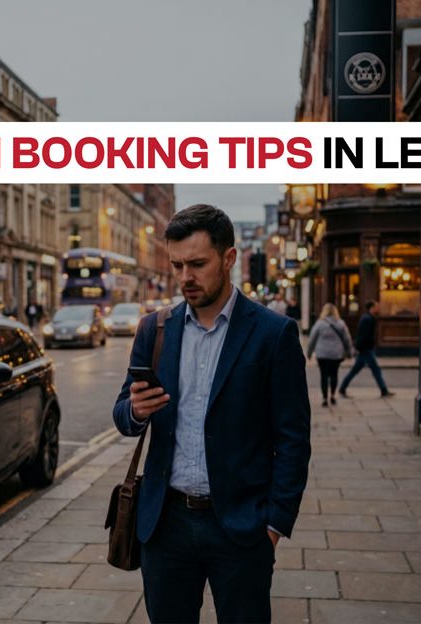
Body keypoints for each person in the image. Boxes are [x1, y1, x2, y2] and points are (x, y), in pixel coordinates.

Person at [112, 204, 311, 623]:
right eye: (178, 264)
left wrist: (274, 525)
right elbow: (122, 414)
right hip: (165, 526)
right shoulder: (155, 329)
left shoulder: (273, 334)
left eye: (198, 264)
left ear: (229, 258)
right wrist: (135, 410)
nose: (186, 277)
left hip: (240, 529)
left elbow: (293, 439)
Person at [339, 300, 394, 398]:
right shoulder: (367, 319)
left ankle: (342, 388)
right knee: (375, 370)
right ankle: (383, 390)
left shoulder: (368, 318)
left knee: (356, 370)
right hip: (366, 349)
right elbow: (363, 335)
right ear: (372, 308)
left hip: (365, 349)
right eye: (377, 307)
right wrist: (361, 347)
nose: (379, 308)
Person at [306, 303, 354, 407]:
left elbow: (312, 339)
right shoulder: (340, 323)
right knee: (334, 374)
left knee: (324, 375)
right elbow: (347, 339)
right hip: (336, 354)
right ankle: (332, 395)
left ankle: (324, 398)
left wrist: (309, 353)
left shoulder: (320, 323)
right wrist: (350, 352)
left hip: (322, 354)